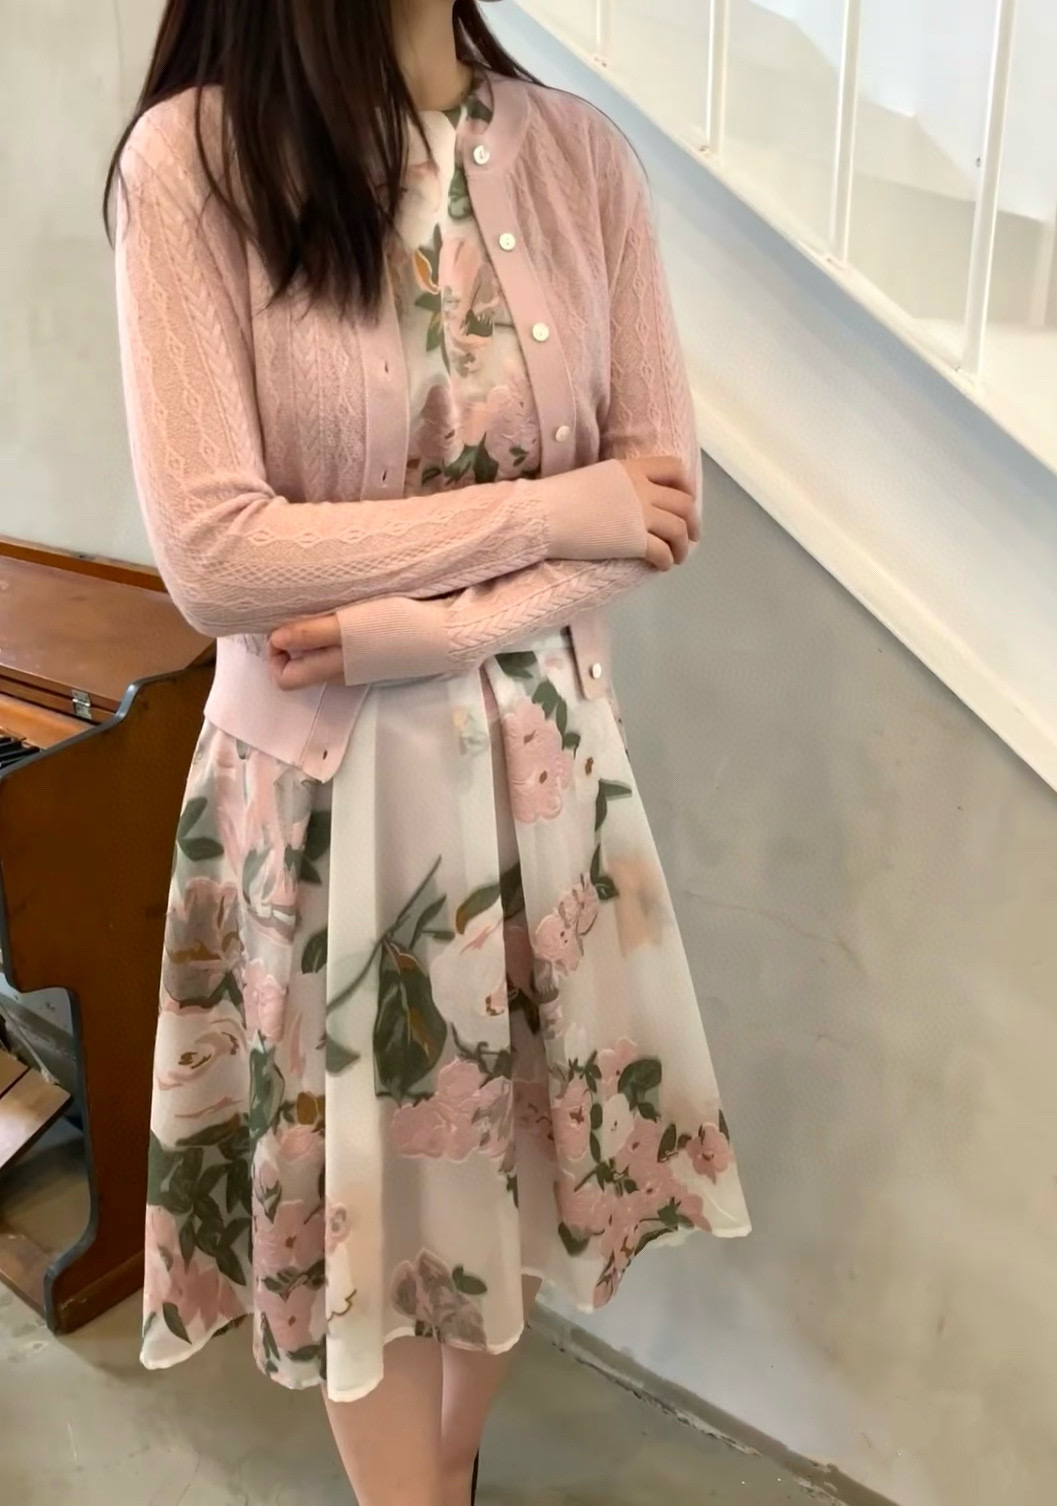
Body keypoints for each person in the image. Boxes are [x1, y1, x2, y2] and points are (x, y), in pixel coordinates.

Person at [108, 2, 750, 1502]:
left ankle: (444, 1475)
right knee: (372, 1222)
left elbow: (655, 505)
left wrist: (414, 628)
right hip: (332, 811)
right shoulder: (191, 163)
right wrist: (549, 515)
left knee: (504, 1173)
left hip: (546, 787)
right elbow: (218, 554)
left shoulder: (582, 158)